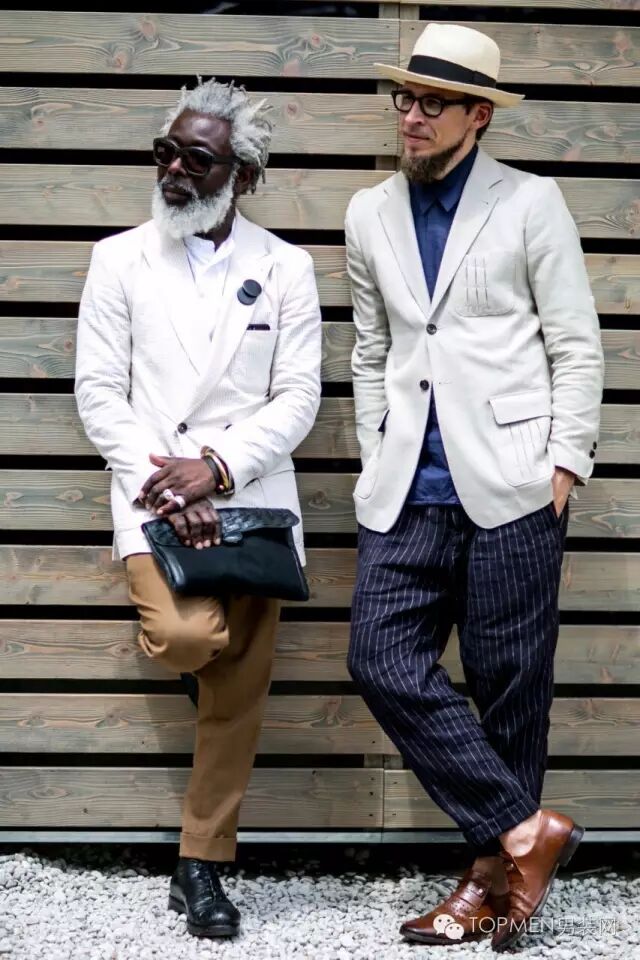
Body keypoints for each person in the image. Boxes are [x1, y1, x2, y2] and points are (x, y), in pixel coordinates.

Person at [345, 23, 604, 952]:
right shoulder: (369, 211)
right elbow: (372, 350)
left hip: (513, 485)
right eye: (404, 98)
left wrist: (562, 465)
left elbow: (575, 343)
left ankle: (488, 885)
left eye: (432, 103)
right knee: (379, 657)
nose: (411, 116)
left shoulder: (531, 202)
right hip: (406, 489)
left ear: (478, 115)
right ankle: (528, 832)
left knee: (510, 691)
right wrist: (375, 448)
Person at [75, 78, 322, 940]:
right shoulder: (118, 259)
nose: (175, 172)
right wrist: (169, 485)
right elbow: (99, 393)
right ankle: (202, 850)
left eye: (198, 160)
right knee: (189, 640)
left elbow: (298, 397)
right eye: (166, 154)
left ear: (243, 176)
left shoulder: (286, 268)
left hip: (250, 502)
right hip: (152, 493)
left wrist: (215, 470)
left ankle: (202, 866)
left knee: (238, 692)